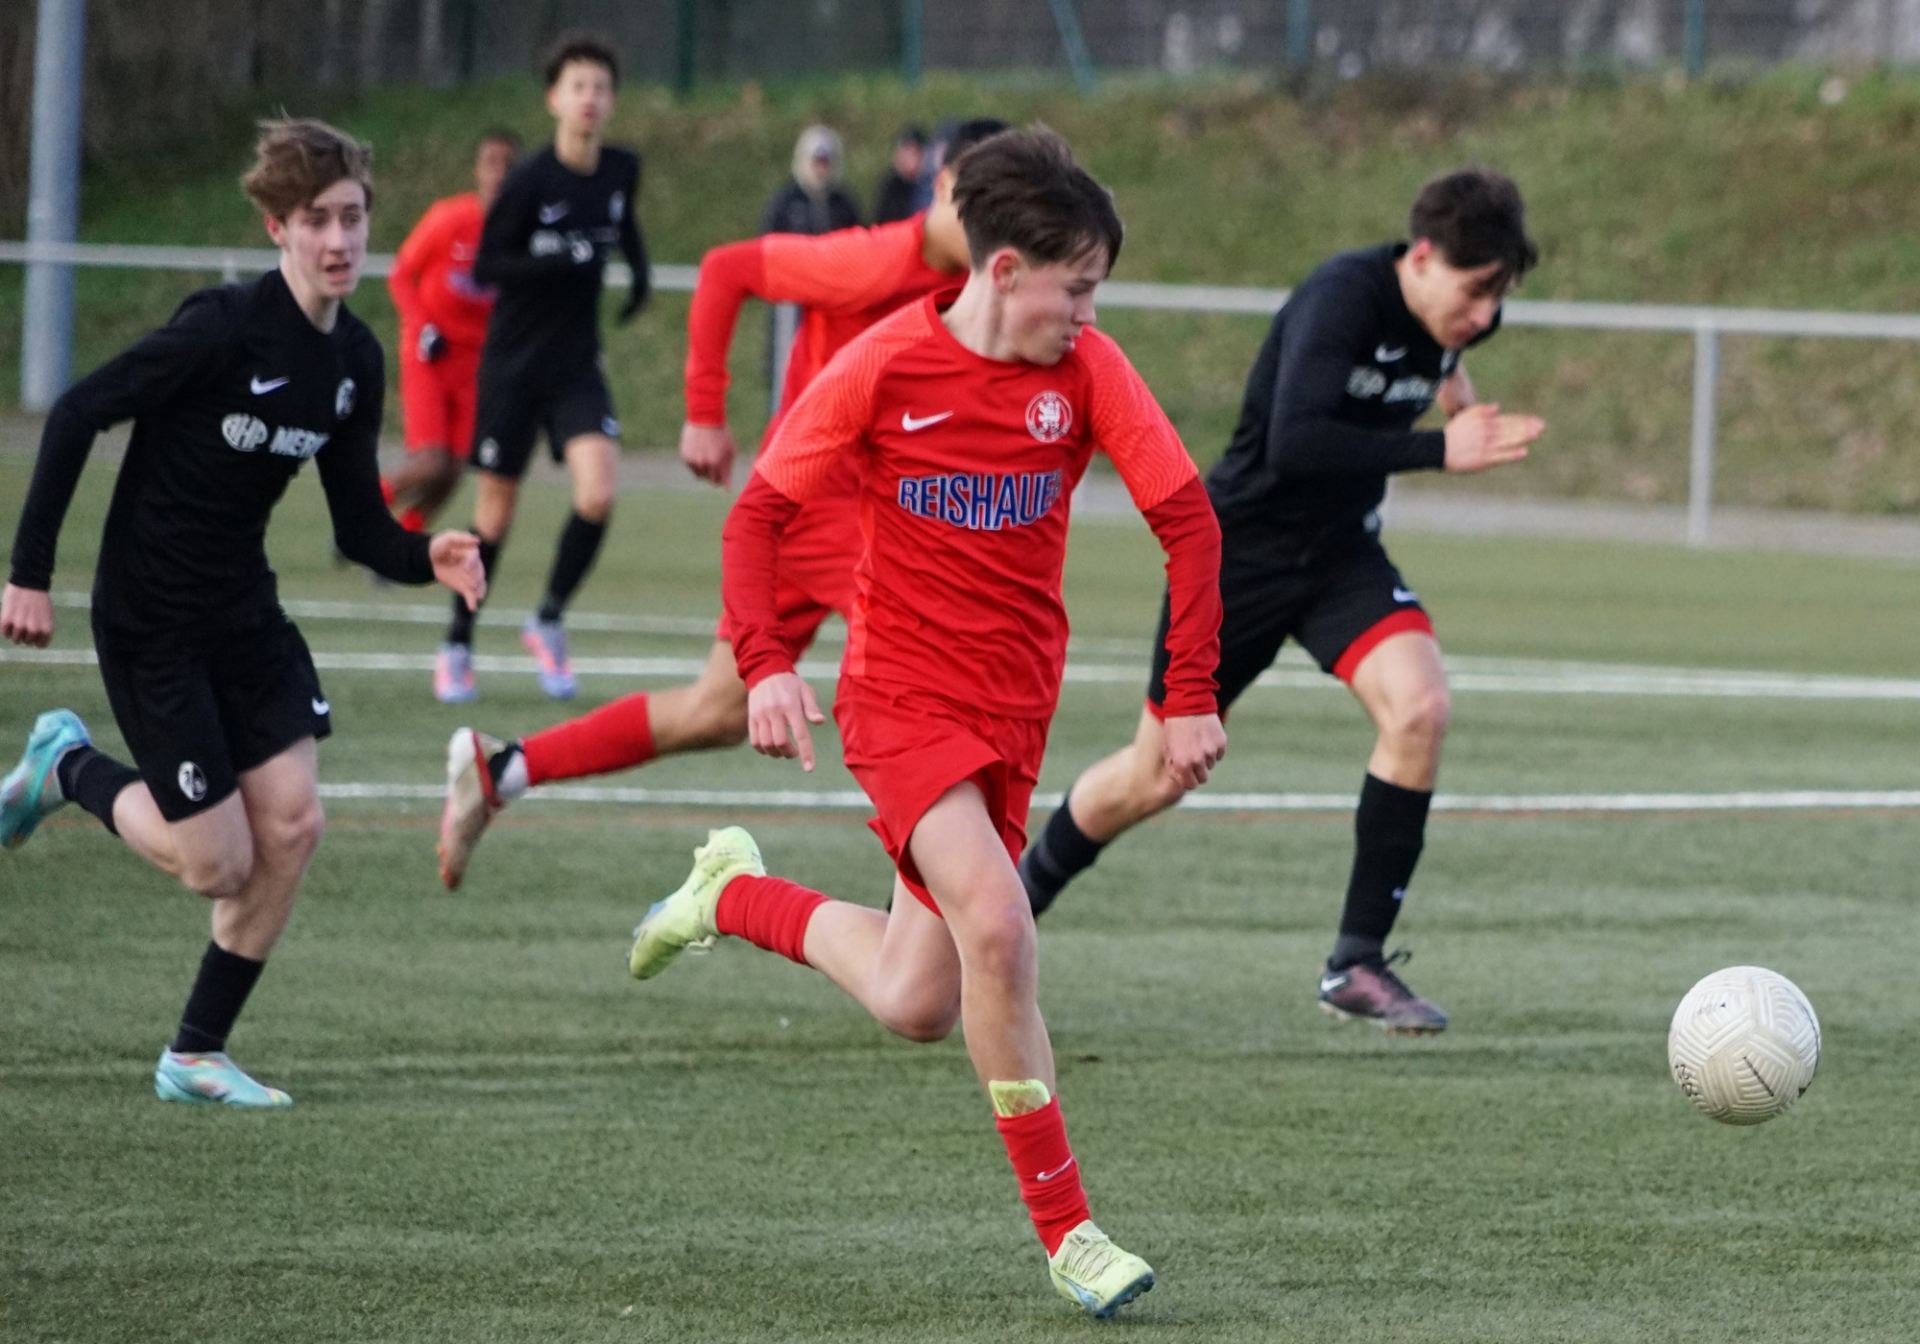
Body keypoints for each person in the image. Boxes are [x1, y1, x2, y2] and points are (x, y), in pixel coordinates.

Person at [626, 128, 1225, 1317]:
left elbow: (1191, 524)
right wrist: (765, 666)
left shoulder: (1089, 372)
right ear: (1004, 272)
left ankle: (730, 894)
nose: (1088, 314)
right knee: (999, 925)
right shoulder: (887, 363)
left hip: (1014, 713)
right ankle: (1070, 1232)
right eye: (1076, 289)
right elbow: (758, 517)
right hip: (898, 701)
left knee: (917, 999)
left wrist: (1192, 692)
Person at [0, 119, 486, 1108]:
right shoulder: (221, 329)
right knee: (216, 865)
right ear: (277, 228)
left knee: (295, 823)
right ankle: (66, 769)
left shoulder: (354, 361)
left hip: (243, 614)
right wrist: (29, 574)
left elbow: (357, 526)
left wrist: (421, 552)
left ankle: (195, 1055)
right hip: (151, 618)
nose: (340, 240)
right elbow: (80, 410)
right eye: (317, 221)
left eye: (352, 217)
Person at [1018, 168, 1547, 1035]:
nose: (1486, 313)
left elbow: (1441, 362)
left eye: (1500, 296)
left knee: (1420, 709)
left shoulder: (1458, 321)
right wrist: (1439, 448)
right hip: (1240, 555)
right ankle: (1007, 907)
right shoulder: (1342, 298)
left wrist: (1456, 391)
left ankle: (1356, 964)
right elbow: (1296, 442)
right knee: (1155, 777)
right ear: (1421, 257)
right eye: (1475, 291)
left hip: (1340, 556)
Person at [435, 118, 1010, 891]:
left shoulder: (986, 281)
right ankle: (956, 902)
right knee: (933, 671)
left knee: (715, 710)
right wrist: (705, 411)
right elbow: (726, 268)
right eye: (988, 209)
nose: (1003, 235)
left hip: (866, 513)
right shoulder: (872, 260)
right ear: (940, 188)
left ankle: (503, 769)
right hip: (823, 510)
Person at [435, 32, 648, 705]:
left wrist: (639, 274)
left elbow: (622, 224)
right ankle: (457, 643)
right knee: (494, 516)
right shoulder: (528, 179)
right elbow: (487, 264)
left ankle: (548, 619)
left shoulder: (621, 167)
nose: (590, 98)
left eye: (601, 87)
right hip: (515, 366)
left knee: (598, 492)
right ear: (555, 98)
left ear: (612, 100)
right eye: (578, 86)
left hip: (576, 364)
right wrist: (556, 260)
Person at [381, 128, 520, 534]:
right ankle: (360, 513)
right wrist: (423, 328)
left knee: (454, 470)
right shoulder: (449, 219)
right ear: (477, 170)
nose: (499, 173)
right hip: (430, 354)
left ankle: (403, 539)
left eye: (508, 165)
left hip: (475, 365)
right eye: (491, 163)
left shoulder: (520, 234)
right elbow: (400, 274)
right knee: (431, 463)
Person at [760, 124, 862, 237]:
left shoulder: (844, 204)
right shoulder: (785, 203)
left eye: (825, 164)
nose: (820, 171)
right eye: (816, 163)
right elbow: (769, 238)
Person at [872, 124, 927, 224]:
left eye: (914, 152)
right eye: (906, 150)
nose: (908, 158)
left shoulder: (927, 186)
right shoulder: (890, 187)